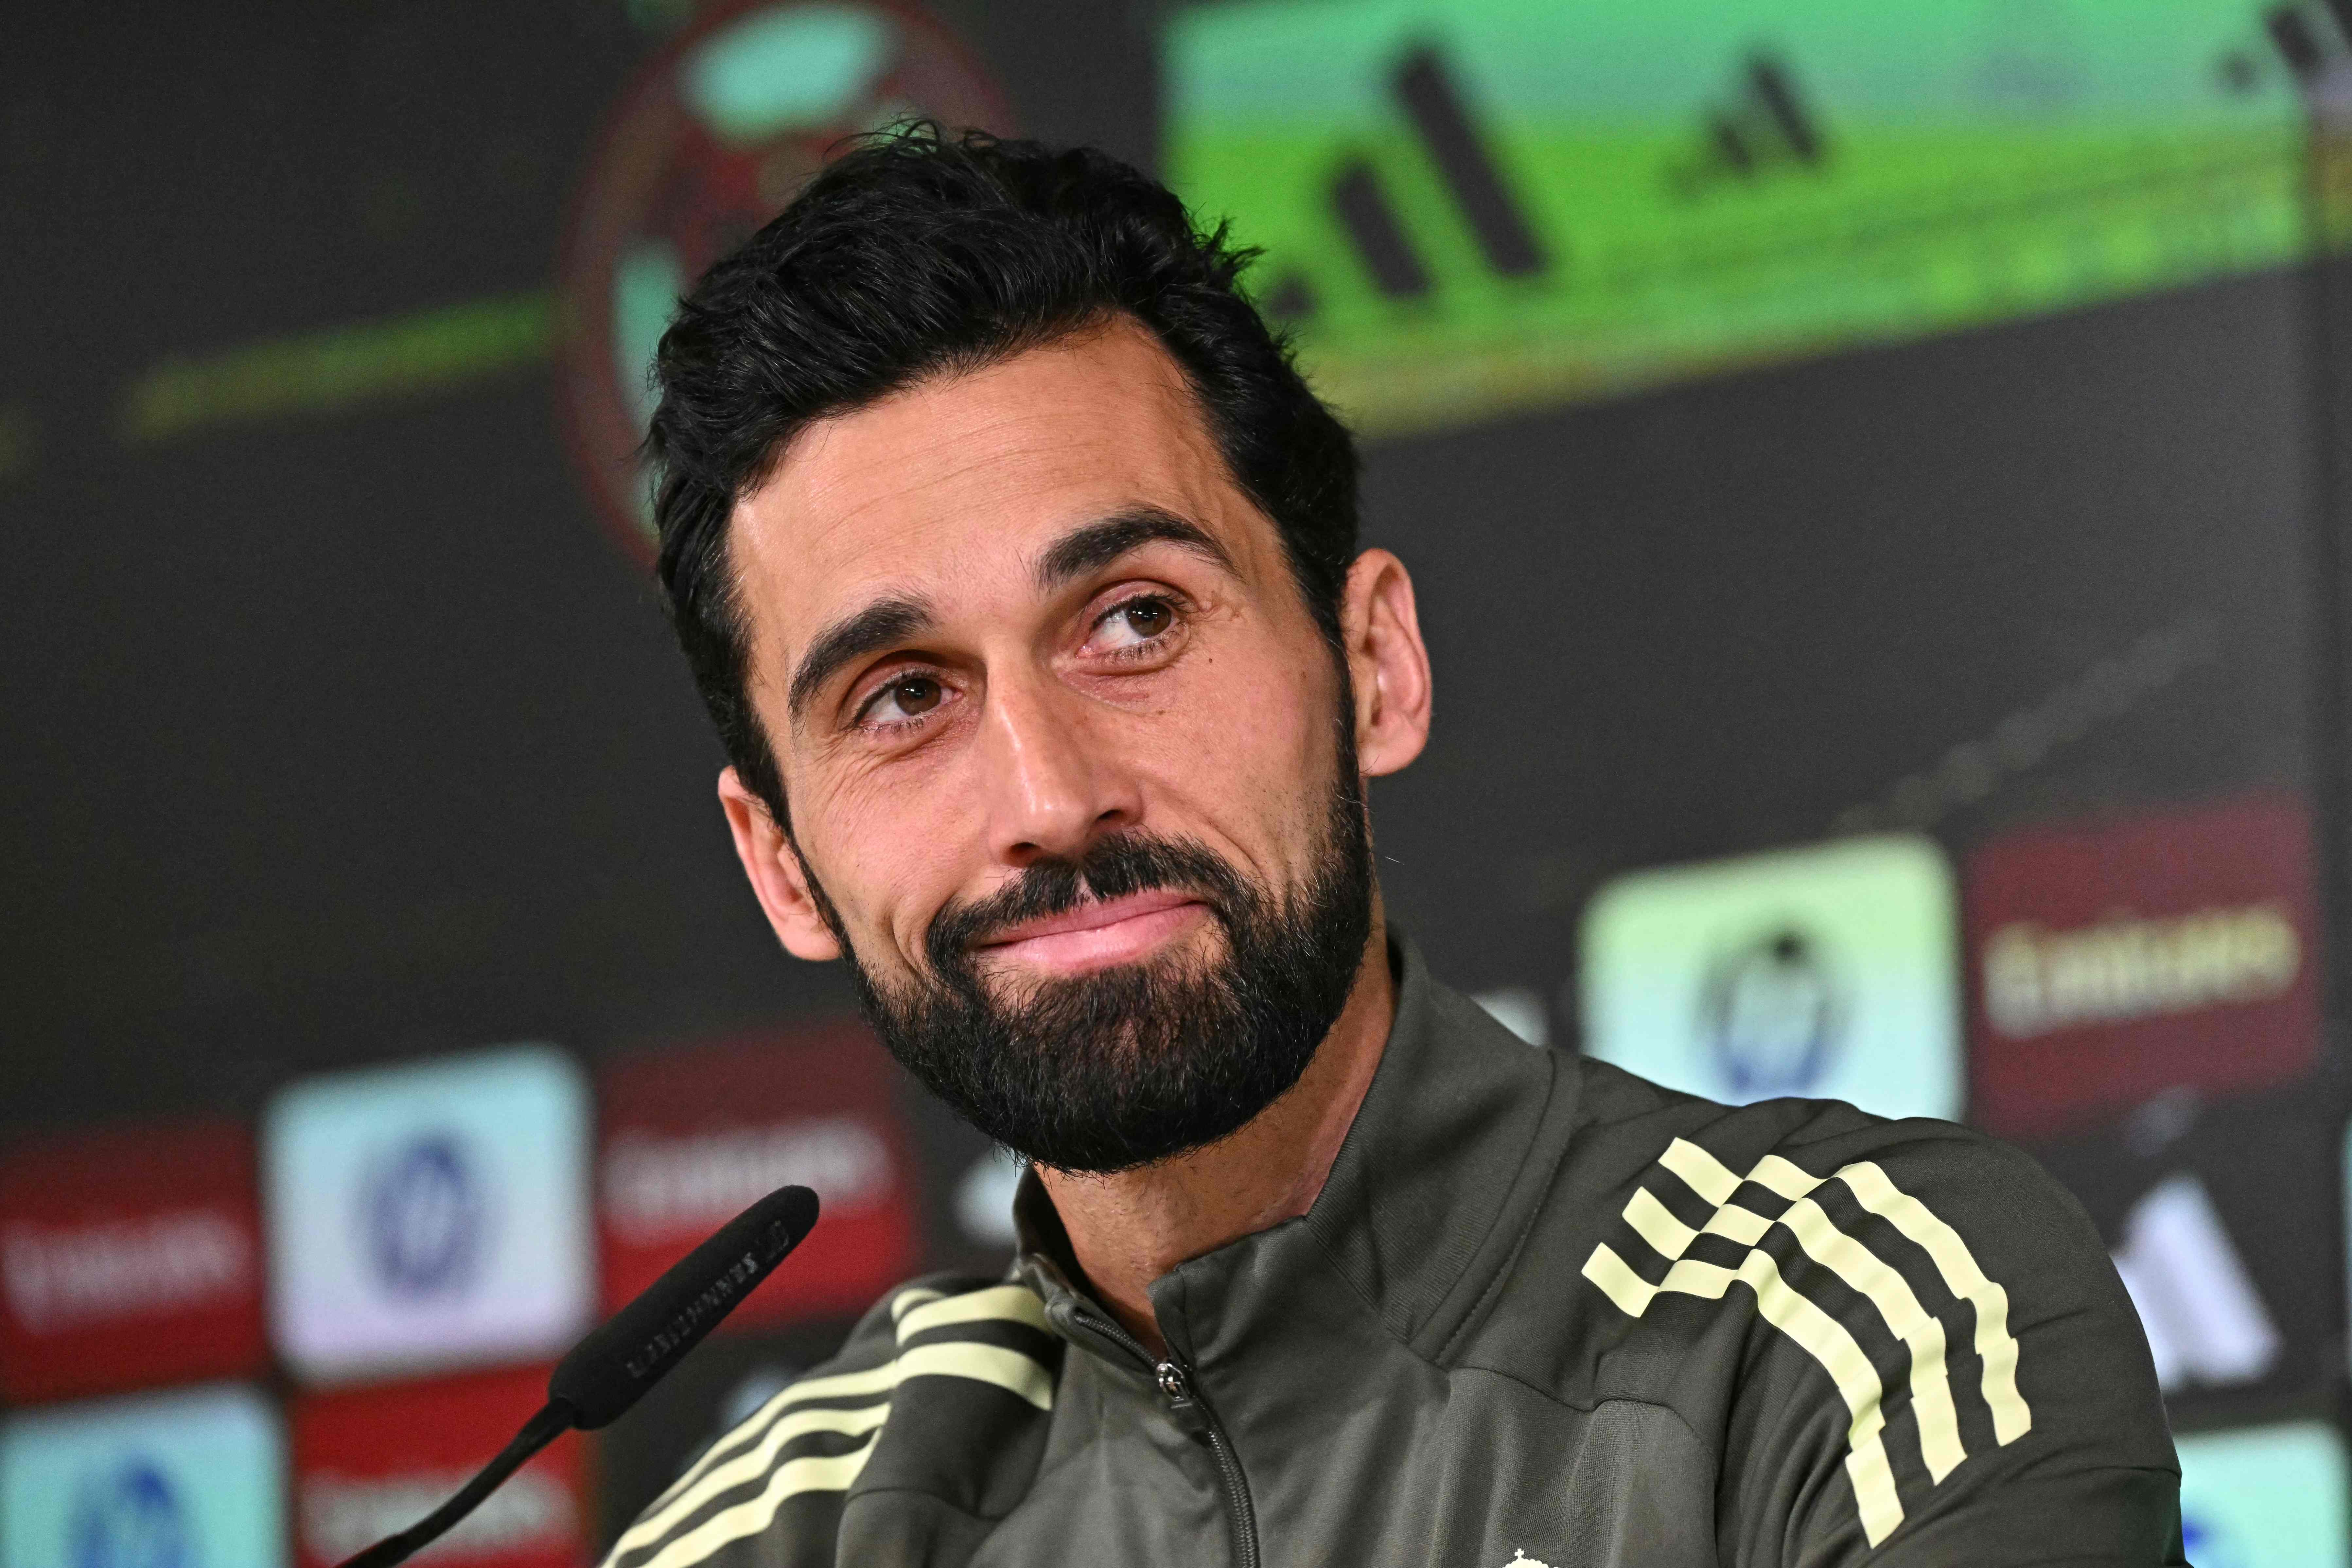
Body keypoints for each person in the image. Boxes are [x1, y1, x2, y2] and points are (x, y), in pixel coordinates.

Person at [601, 126, 2183, 1568]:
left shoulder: (1846, 1319)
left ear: (1373, 665)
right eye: (902, 697)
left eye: (1133, 620)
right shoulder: (763, 1541)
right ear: (781, 863)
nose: (1049, 793)